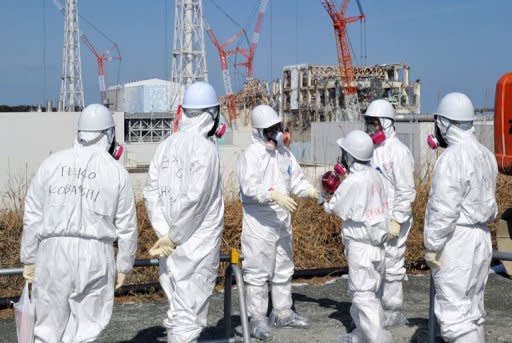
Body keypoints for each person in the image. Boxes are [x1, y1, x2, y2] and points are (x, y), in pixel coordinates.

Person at [20, 103, 138, 343]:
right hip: (95, 255)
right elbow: (127, 226)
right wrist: (124, 264)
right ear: (109, 134)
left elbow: (33, 215)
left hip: (53, 253)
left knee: (46, 330)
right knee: (86, 330)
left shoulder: (51, 164)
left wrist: (29, 257)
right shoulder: (116, 172)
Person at [143, 81, 224, 343]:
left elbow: (150, 191)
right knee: (189, 317)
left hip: (170, 247)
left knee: (178, 309)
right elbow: (197, 200)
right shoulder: (206, 149)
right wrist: (175, 235)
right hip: (196, 245)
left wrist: (164, 233)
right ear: (212, 114)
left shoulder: (166, 144)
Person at [238, 104, 319, 340]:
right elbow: (249, 187)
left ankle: (283, 312)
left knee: (284, 269)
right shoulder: (251, 155)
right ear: (259, 131)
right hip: (259, 222)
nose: (276, 133)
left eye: (277, 127)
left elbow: (296, 182)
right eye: (270, 129)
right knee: (257, 273)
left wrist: (312, 191)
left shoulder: (285, 155)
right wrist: (272, 194)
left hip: (282, 221)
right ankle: (257, 319)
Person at [424, 92, 497, 343]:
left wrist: (432, 245)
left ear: (444, 123)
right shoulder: (485, 154)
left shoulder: (452, 157)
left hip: (458, 239)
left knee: (454, 316)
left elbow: (443, 209)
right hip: (481, 238)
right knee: (473, 311)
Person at [321, 130, 392, 343]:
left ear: (350, 156)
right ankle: (362, 335)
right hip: (377, 245)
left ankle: (375, 339)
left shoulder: (354, 182)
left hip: (360, 246)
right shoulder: (375, 175)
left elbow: (332, 207)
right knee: (372, 294)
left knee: (362, 294)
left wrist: (321, 195)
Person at [363, 99, 416, 327]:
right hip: (374, 217)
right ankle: (377, 308)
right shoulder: (371, 150)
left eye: (374, 124)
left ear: (386, 123)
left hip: (395, 218)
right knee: (375, 264)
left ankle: (393, 310)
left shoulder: (399, 152)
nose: (370, 129)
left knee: (393, 264)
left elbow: (406, 190)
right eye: (369, 124)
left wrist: (397, 219)